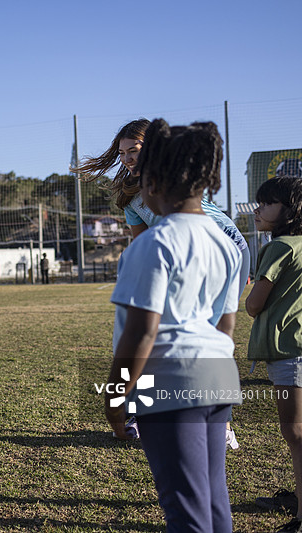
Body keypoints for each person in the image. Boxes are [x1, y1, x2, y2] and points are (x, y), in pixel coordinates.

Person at [76, 118, 249, 447]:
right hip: (177, 253)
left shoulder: (177, 186)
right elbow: (141, 241)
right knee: (159, 338)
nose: (127, 158)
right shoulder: (130, 194)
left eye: (135, 150)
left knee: (212, 335)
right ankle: (144, 415)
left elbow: (206, 232)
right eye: (122, 152)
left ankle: (221, 423)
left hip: (224, 249)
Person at [105, 120, 241, 533]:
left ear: (152, 182)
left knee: (185, 511)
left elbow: (141, 334)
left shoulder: (152, 244)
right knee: (215, 503)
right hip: (219, 377)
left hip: (170, 382)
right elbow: (226, 327)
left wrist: (114, 400)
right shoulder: (227, 244)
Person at [245, 176, 302, 533]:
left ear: (290, 210)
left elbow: (253, 305)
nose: (258, 210)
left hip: (289, 353)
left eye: (267, 203)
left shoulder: (278, 247)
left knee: (295, 433)